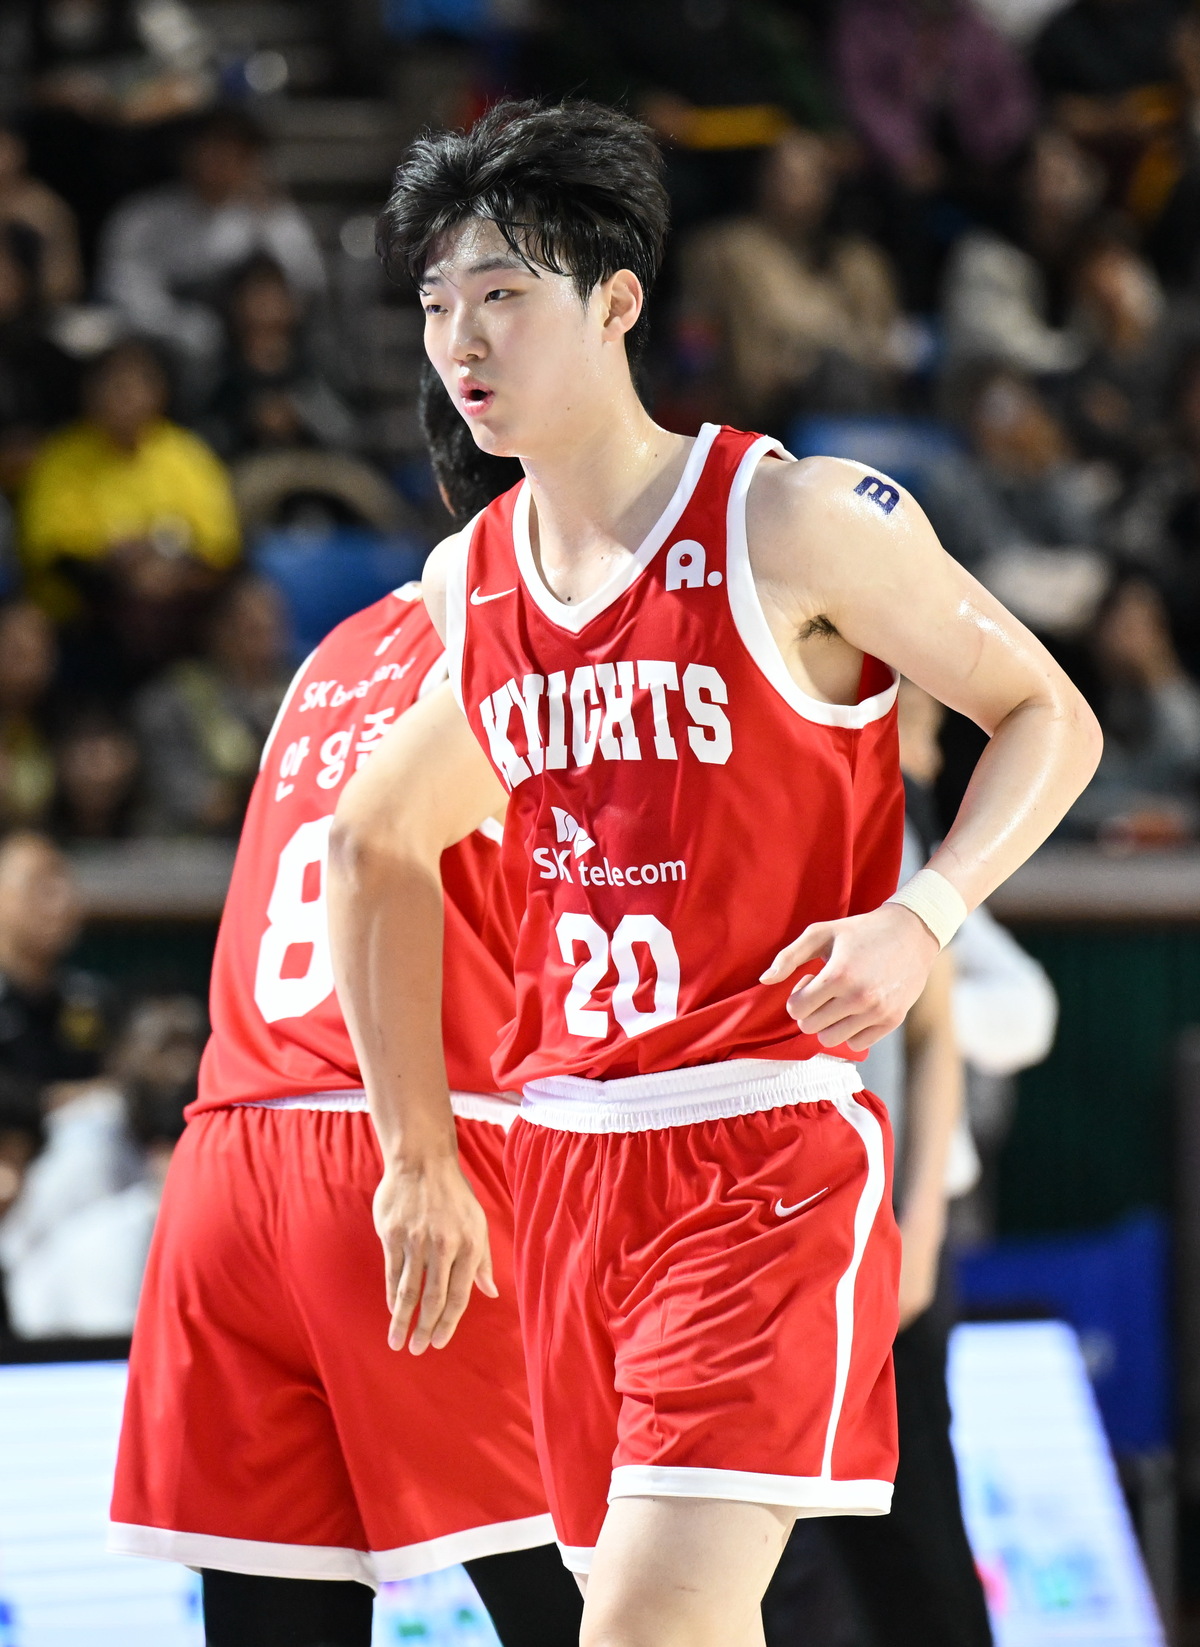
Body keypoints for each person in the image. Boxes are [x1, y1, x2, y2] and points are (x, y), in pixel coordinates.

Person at [327, 98, 1101, 1646]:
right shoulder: (472, 583)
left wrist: (924, 910)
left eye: (502, 294)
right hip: (563, 1164)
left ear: (617, 303)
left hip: (757, 1148)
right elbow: (374, 840)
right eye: (435, 302)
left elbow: (1050, 714)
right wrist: (418, 1150)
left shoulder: (792, 516)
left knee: (643, 1627)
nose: (461, 337)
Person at [108, 425, 583, 1647]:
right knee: (629, 1606)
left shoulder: (335, 650)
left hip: (227, 1174)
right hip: (419, 1146)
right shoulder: (550, 634)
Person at [19, 338, 240, 689]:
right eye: (114, 385)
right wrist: (124, 568)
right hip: (90, 614)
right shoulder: (61, 458)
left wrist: (166, 571)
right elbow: (51, 549)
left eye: (137, 384)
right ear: (89, 393)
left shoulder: (187, 455)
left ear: (159, 393)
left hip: (180, 608)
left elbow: (220, 544)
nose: (125, 397)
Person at [675, 129, 901, 430]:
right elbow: (694, 332)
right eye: (784, 174)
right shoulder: (725, 251)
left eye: (810, 176)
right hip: (762, 412)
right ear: (761, 178)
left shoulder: (859, 262)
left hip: (854, 408)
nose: (795, 187)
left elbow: (887, 347)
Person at [97, 107, 326, 377]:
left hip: (245, 350)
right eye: (211, 148)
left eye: (234, 152)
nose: (219, 160)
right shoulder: (143, 217)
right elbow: (123, 288)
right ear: (187, 151)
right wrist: (180, 326)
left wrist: (267, 223)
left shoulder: (273, 217)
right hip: (162, 347)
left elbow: (307, 283)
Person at [133, 575, 291, 837]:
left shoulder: (302, 690)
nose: (268, 642)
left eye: (274, 628)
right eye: (252, 629)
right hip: (193, 849)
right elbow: (203, 806)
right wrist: (259, 772)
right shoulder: (173, 700)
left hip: (283, 839)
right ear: (219, 631)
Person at [200, 254, 358, 461]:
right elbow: (204, 438)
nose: (268, 307)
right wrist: (249, 421)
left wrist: (300, 415)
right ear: (236, 305)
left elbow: (348, 432)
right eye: (257, 295)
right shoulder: (220, 373)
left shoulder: (316, 366)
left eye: (275, 294)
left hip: (314, 470)